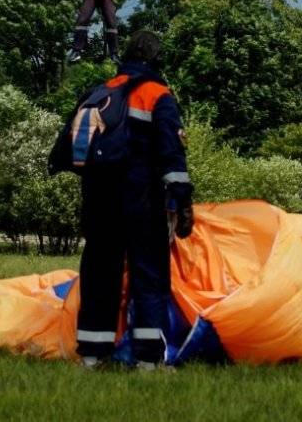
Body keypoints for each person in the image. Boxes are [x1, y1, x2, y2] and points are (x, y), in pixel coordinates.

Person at [74, 30, 193, 370]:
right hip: (141, 201)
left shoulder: (101, 93)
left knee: (99, 274)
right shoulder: (158, 95)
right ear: (157, 61)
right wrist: (182, 202)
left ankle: (93, 356)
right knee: (149, 276)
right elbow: (172, 156)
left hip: (99, 201)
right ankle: (148, 360)